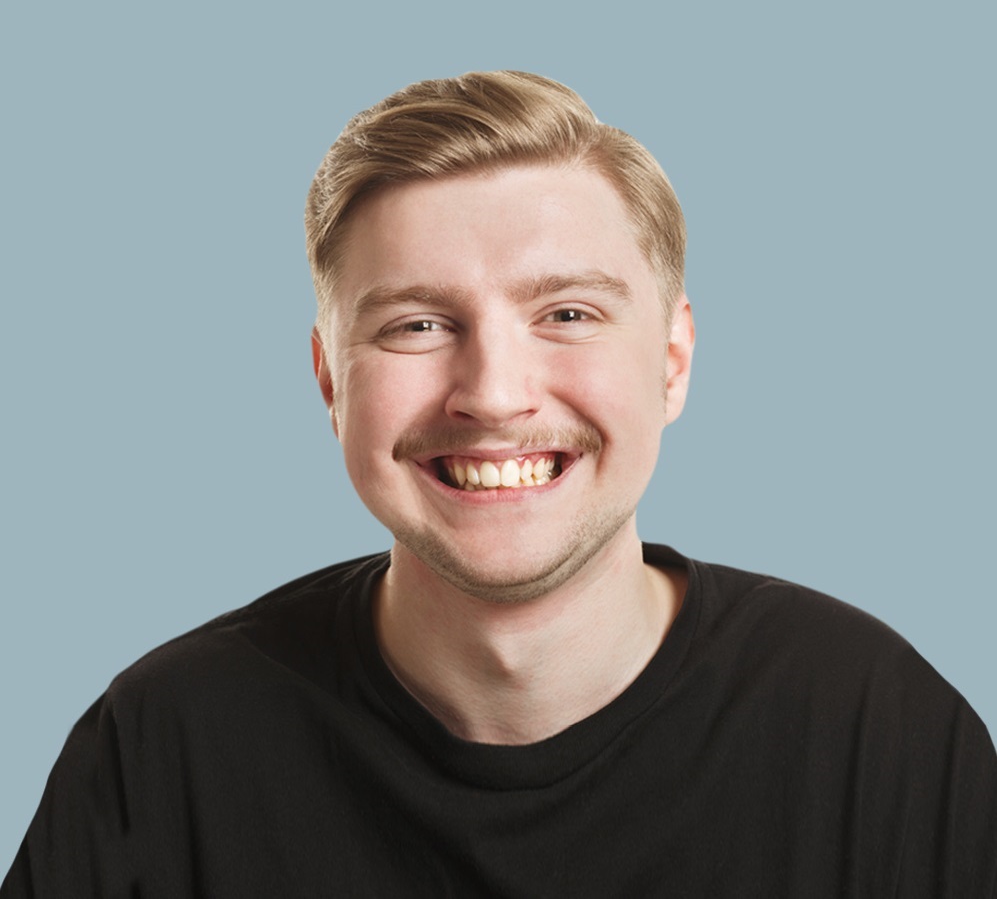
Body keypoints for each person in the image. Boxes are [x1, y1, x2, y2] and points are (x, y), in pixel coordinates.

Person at [3, 71, 995, 897]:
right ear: (329, 382)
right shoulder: (162, 750)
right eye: (416, 325)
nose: (492, 393)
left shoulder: (882, 735)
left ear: (673, 359)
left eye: (566, 314)